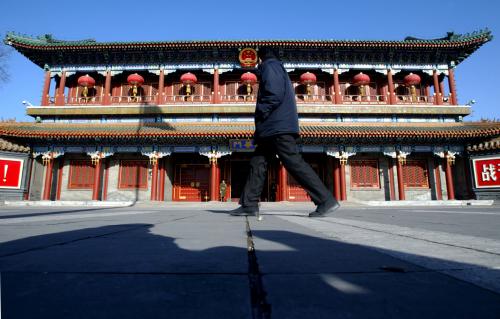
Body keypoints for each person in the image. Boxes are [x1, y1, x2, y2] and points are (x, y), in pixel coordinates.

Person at [229, 47, 340, 217]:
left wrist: (261, 112)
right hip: (272, 127)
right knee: (258, 162)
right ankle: (249, 204)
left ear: (261, 58)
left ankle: (326, 200)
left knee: (294, 162)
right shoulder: (276, 67)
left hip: (277, 126)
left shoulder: (269, 66)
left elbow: (273, 94)